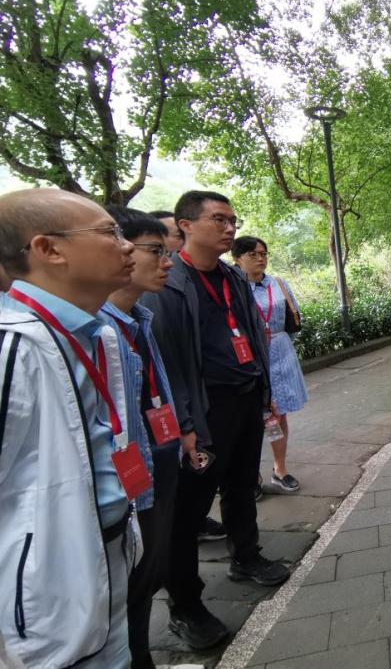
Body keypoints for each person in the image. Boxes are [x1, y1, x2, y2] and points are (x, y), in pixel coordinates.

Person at [142, 190, 288, 651]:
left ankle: (246, 556)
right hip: (203, 414)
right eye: (219, 220)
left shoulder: (231, 276)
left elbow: (252, 336)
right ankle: (185, 606)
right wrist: (185, 424)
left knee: (243, 485)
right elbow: (167, 363)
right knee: (187, 513)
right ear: (186, 225)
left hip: (244, 398)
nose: (229, 228)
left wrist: (264, 390)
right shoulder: (168, 283)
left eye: (232, 220)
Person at [0, 188, 138, 668]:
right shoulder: (12, 346)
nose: (127, 245)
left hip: (109, 550)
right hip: (45, 588)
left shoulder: (98, 332)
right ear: (48, 249)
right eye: (110, 233)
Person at [99, 207, 192, 669]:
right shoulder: (94, 330)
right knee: (129, 584)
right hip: (128, 480)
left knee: (147, 575)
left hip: (158, 461)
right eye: (156, 250)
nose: (167, 260)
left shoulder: (138, 319)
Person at [152, 209, 225, 542]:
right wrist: (184, 422)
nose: (167, 258)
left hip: (203, 406)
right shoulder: (158, 297)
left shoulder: (221, 277)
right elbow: (173, 365)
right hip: (180, 418)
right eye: (155, 248)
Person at [232, 236, 308, 493]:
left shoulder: (278, 283)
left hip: (280, 351)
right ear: (237, 258)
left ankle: (280, 469)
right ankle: (250, 476)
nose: (260, 258)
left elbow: (293, 316)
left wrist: (278, 341)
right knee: (251, 418)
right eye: (252, 254)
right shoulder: (233, 288)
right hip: (250, 357)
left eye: (263, 253)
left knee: (280, 413)